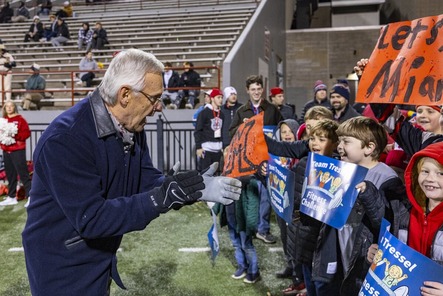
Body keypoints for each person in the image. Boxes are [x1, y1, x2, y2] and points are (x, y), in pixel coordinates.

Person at [22, 49, 242, 295]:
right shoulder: (66, 139)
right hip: (62, 267)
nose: (158, 107)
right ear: (125, 94)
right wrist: (162, 197)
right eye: (154, 98)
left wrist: (188, 188)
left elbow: (145, 178)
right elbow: (92, 218)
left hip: (97, 256)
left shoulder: (130, 125)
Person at [367, 141, 443, 295]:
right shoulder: (402, 209)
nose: (430, 178)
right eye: (425, 171)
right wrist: (376, 253)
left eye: (441, 173)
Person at [229, 75, 283, 244]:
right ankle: (250, 227)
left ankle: (263, 229)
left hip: (267, 159)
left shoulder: (272, 110)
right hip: (248, 160)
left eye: (259, 89)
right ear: (248, 91)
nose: (256, 92)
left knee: (267, 194)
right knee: (250, 195)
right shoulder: (241, 111)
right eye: (253, 89)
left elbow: (281, 129)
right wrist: (242, 126)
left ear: (262, 90)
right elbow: (231, 133)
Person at [0, 100, 31, 207]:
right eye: (7, 106)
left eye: (11, 106)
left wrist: (14, 136)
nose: (9, 108)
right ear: (4, 108)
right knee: (10, 174)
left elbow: (26, 133)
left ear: (14, 107)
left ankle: (30, 196)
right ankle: (11, 196)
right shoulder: (3, 120)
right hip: (6, 150)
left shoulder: (20, 119)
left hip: (18, 150)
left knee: (23, 173)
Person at [194, 88, 224, 172]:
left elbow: (222, 131)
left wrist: (222, 146)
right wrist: (198, 147)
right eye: (218, 97)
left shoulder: (222, 114)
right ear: (212, 98)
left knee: (217, 173)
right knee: (205, 173)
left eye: (221, 97)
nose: (221, 100)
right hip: (207, 148)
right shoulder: (204, 113)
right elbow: (198, 130)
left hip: (218, 149)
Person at [221, 86, 241, 150]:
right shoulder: (221, 109)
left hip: (239, 141)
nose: (233, 96)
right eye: (231, 94)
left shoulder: (241, 108)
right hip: (226, 142)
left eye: (235, 94)